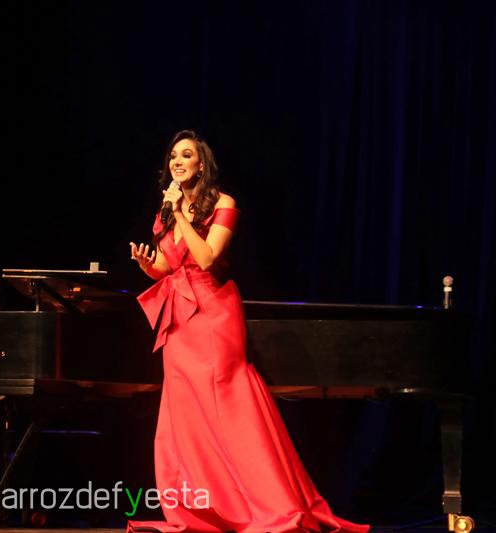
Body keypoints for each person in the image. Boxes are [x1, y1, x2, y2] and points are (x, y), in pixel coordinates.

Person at [128, 130, 368, 533]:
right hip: (179, 320)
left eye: (185, 155)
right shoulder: (166, 213)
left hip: (212, 314)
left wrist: (181, 214)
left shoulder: (223, 204)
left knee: (227, 405)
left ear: (201, 164)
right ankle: (207, 506)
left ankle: (261, 500)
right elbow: (170, 267)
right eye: (172, 157)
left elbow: (207, 258)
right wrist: (147, 266)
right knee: (186, 414)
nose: (177, 162)